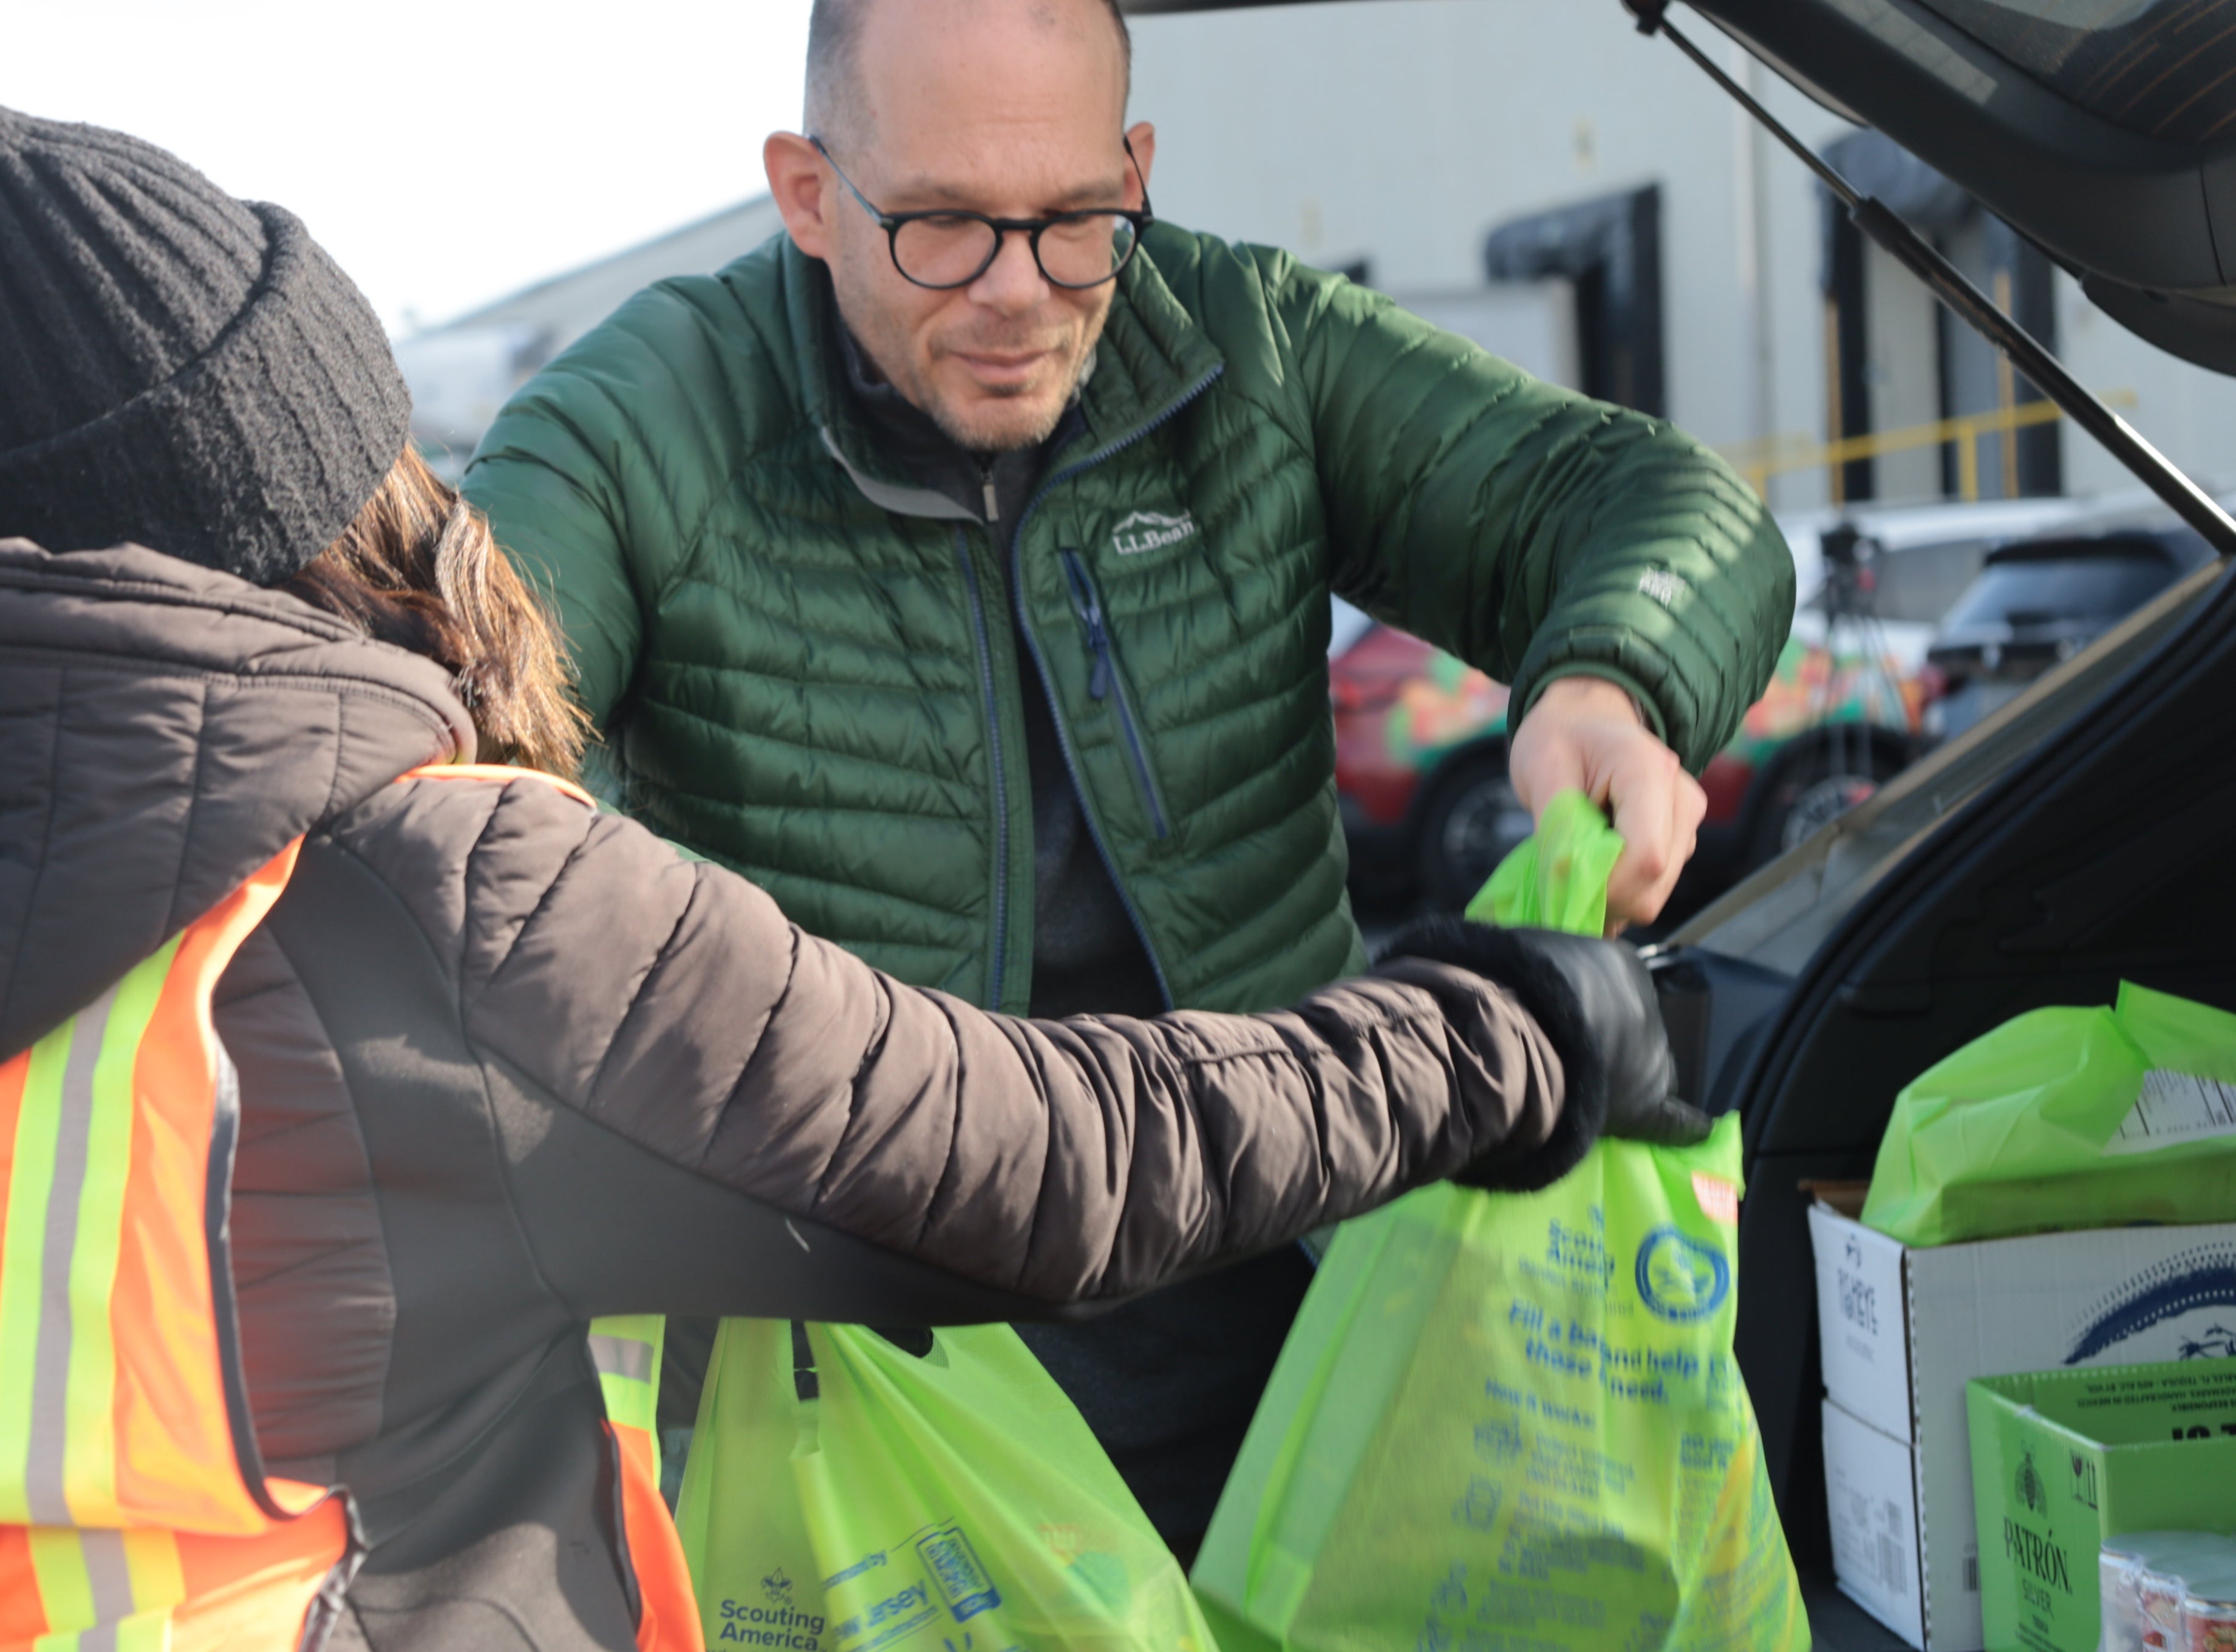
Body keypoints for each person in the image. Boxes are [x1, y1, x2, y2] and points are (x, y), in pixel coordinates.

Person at [0, 98, 1704, 1652]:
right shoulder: (416, 902)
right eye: (940, 216)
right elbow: (1046, 1162)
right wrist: (1508, 1025)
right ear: (319, 503)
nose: (1015, 281)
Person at [460, 0, 1792, 1551]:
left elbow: (1656, 501)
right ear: (810, 194)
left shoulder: (1246, 351)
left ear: (1137, 170)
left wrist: (1610, 680)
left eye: (1076, 221)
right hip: (880, 1407)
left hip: (1301, 1342)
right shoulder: (646, 418)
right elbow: (467, 745)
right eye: (946, 226)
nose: (1021, 292)